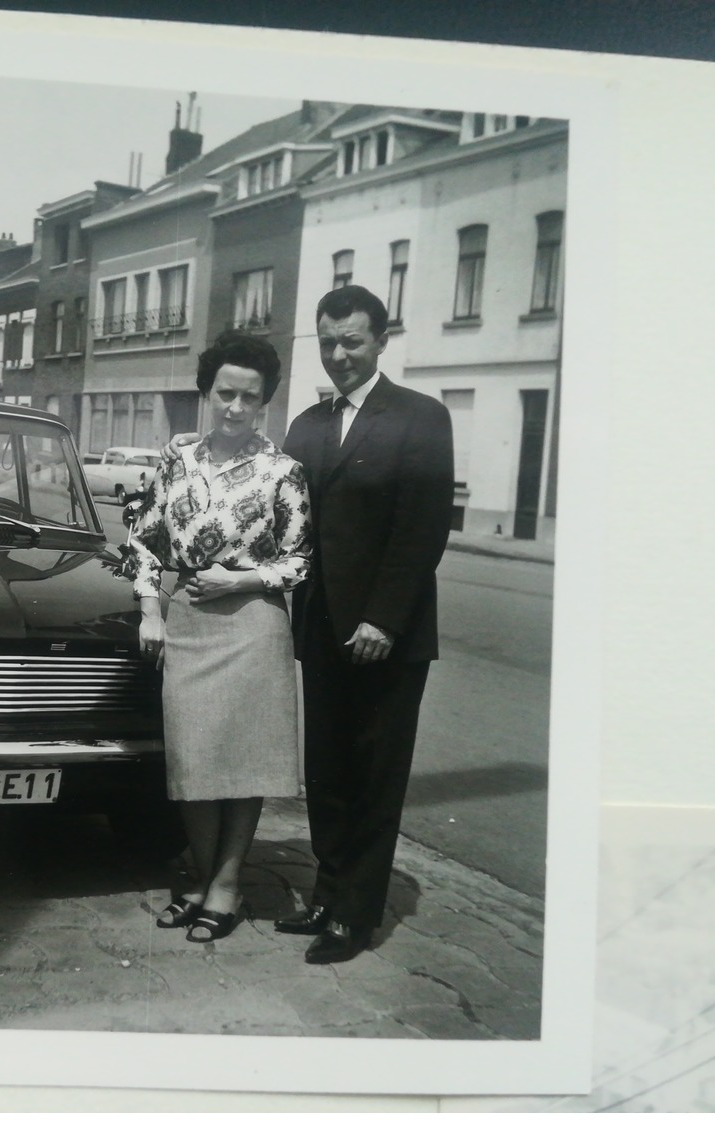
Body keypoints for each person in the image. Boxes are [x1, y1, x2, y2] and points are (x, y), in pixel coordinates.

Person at [165, 285, 454, 963]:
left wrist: (383, 617)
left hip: (387, 638)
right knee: (326, 774)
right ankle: (326, 896)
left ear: (382, 340)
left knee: (374, 778)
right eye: (327, 341)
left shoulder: (420, 418)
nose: (339, 354)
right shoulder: (309, 427)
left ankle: (355, 917)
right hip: (321, 632)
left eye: (352, 340)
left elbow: (421, 531)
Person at [125, 330, 312, 944]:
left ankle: (223, 888)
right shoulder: (175, 458)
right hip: (187, 623)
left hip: (254, 625)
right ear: (207, 392)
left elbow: (300, 561)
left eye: (248, 398)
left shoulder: (283, 472)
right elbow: (145, 542)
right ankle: (207, 879)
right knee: (194, 760)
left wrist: (239, 579)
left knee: (243, 761)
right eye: (224, 394)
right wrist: (151, 611)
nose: (234, 408)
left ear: (265, 402)